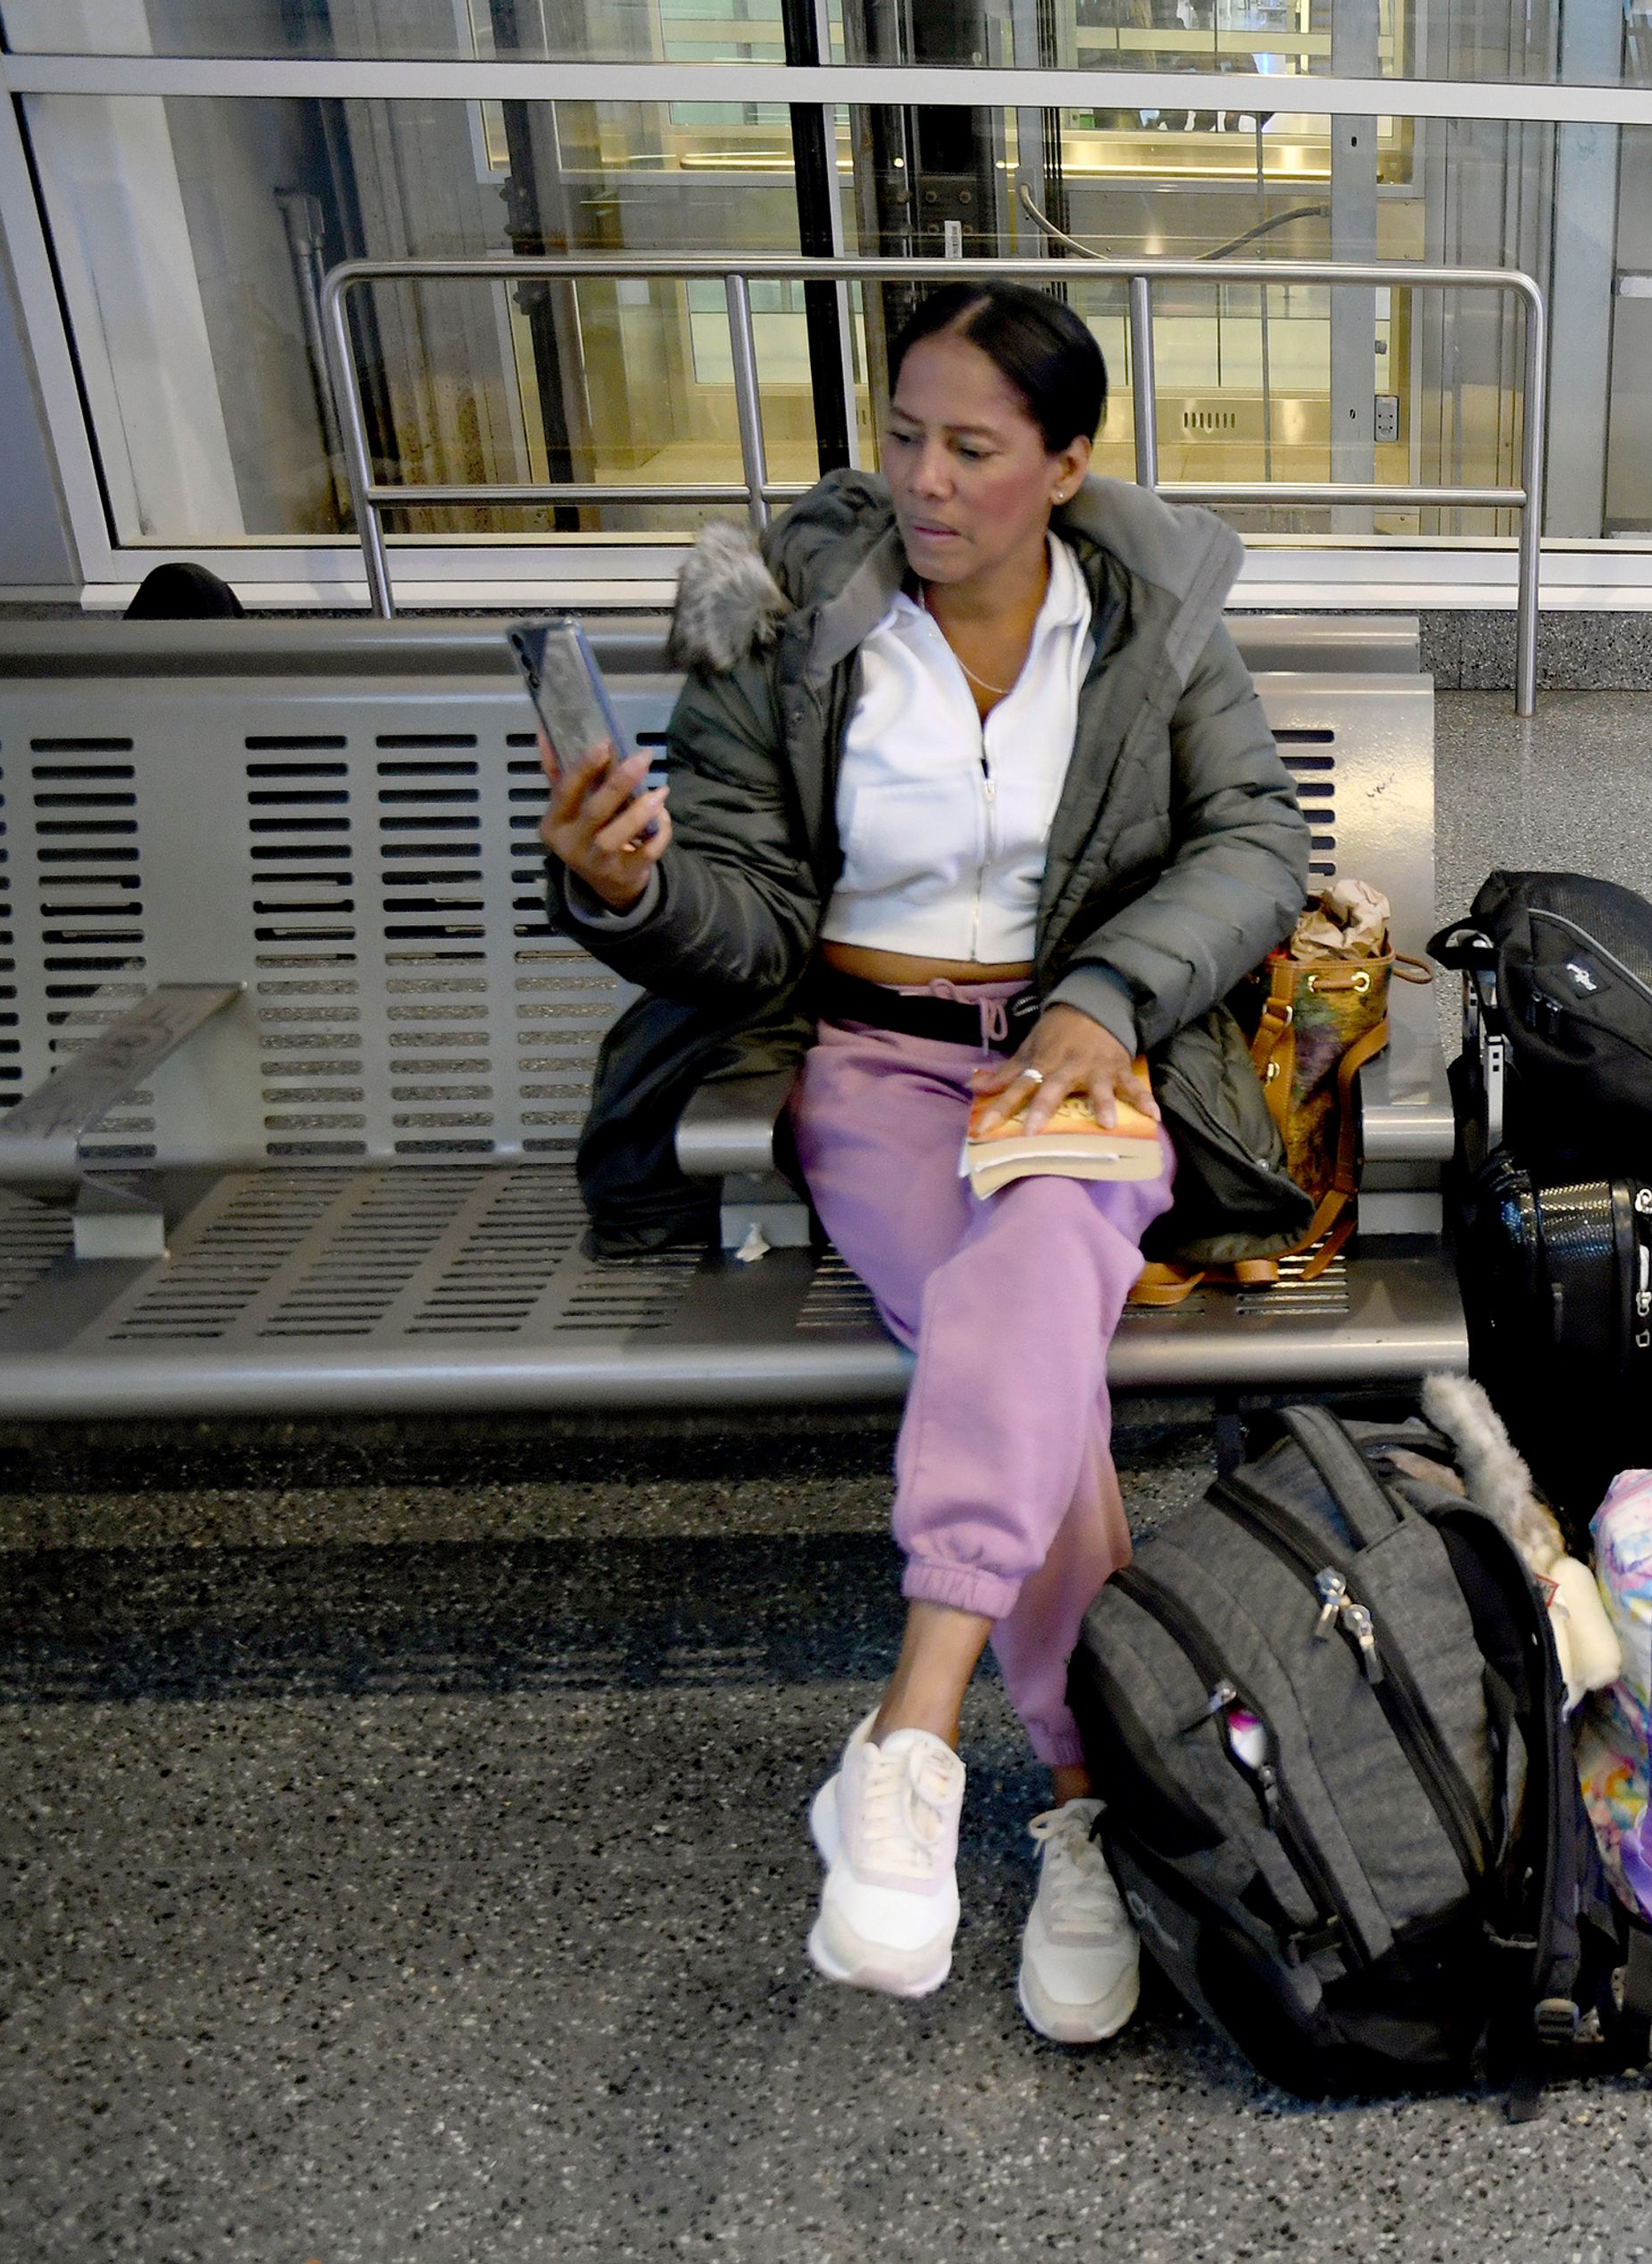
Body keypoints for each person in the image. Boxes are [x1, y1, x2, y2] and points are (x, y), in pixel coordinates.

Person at [539, 280, 1310, 2037]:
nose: (924, 478)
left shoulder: (1148, 623)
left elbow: (1259, 840)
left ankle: (909, 1737)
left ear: (1066, 464)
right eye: (903, 435)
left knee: (1023, 1283)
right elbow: (739, 917)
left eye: (973, 447)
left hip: (1081, 1061)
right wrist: (633, 887)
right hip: (876, 1065)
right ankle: (1085, 1799)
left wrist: (1109, 990)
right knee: (1026, 1341)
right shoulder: (789, 628)